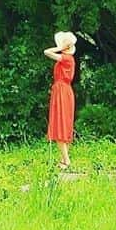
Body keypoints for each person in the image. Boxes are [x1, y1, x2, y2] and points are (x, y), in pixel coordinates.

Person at [43, 30, 76, 169]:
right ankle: (64, 159)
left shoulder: (66, 58)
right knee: (63, 123)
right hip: (62, 90)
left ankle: (66, 160)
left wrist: (60, 48)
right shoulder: (67, 58)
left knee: (60, 124)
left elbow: (47, 52)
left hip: (62, 90)